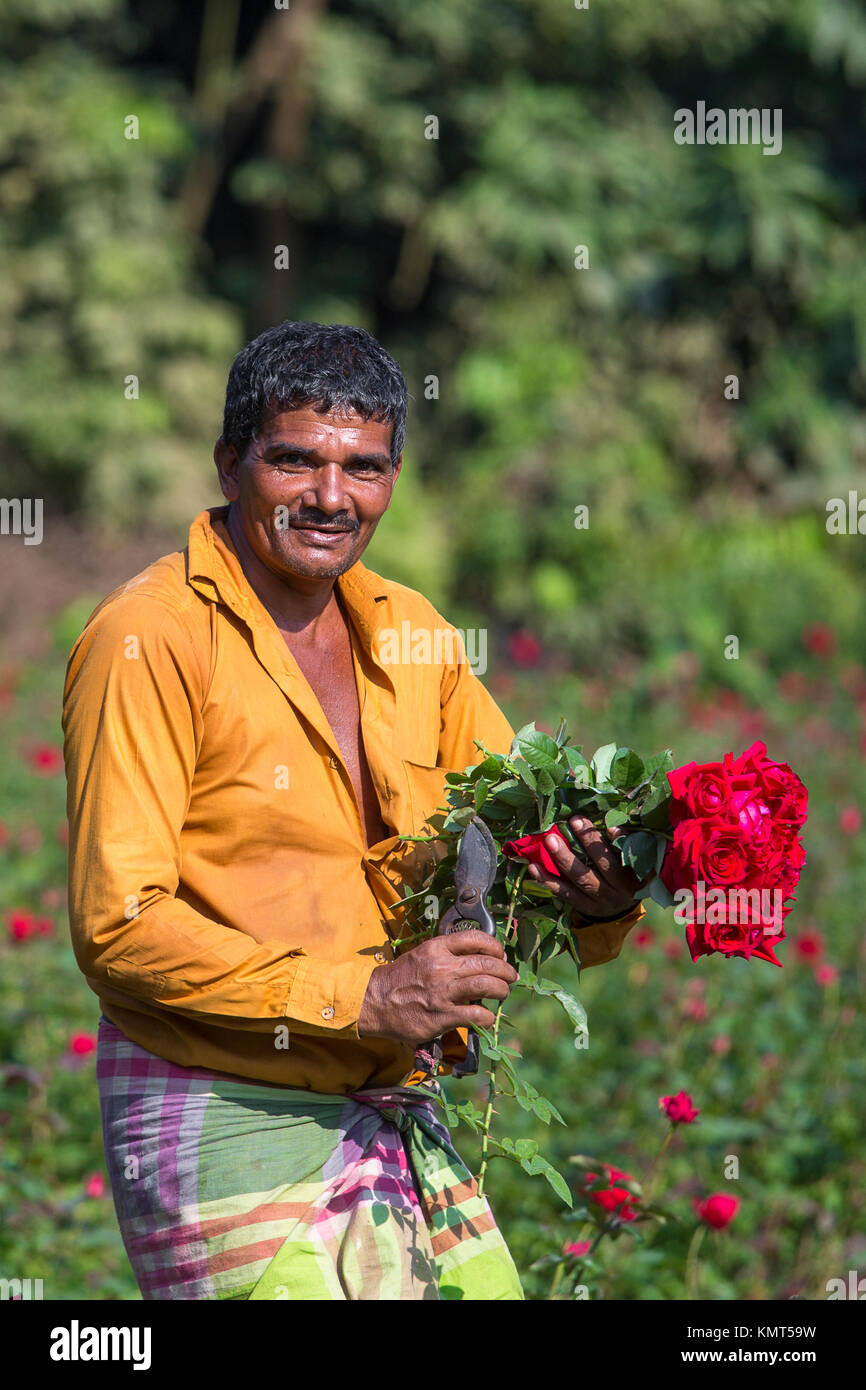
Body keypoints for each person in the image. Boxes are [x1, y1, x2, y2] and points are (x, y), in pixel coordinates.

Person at [62, 320, 645, 1301]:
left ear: (394, 476)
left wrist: (597, 888)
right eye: (295, 460)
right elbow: (118, 926)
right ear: (230, 461)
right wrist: (364, 997)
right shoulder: (149, 637)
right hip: (216, 1103)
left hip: (387, 1101)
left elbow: (507, 837)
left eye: (363, 468)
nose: (331, 497)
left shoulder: (411, 631)